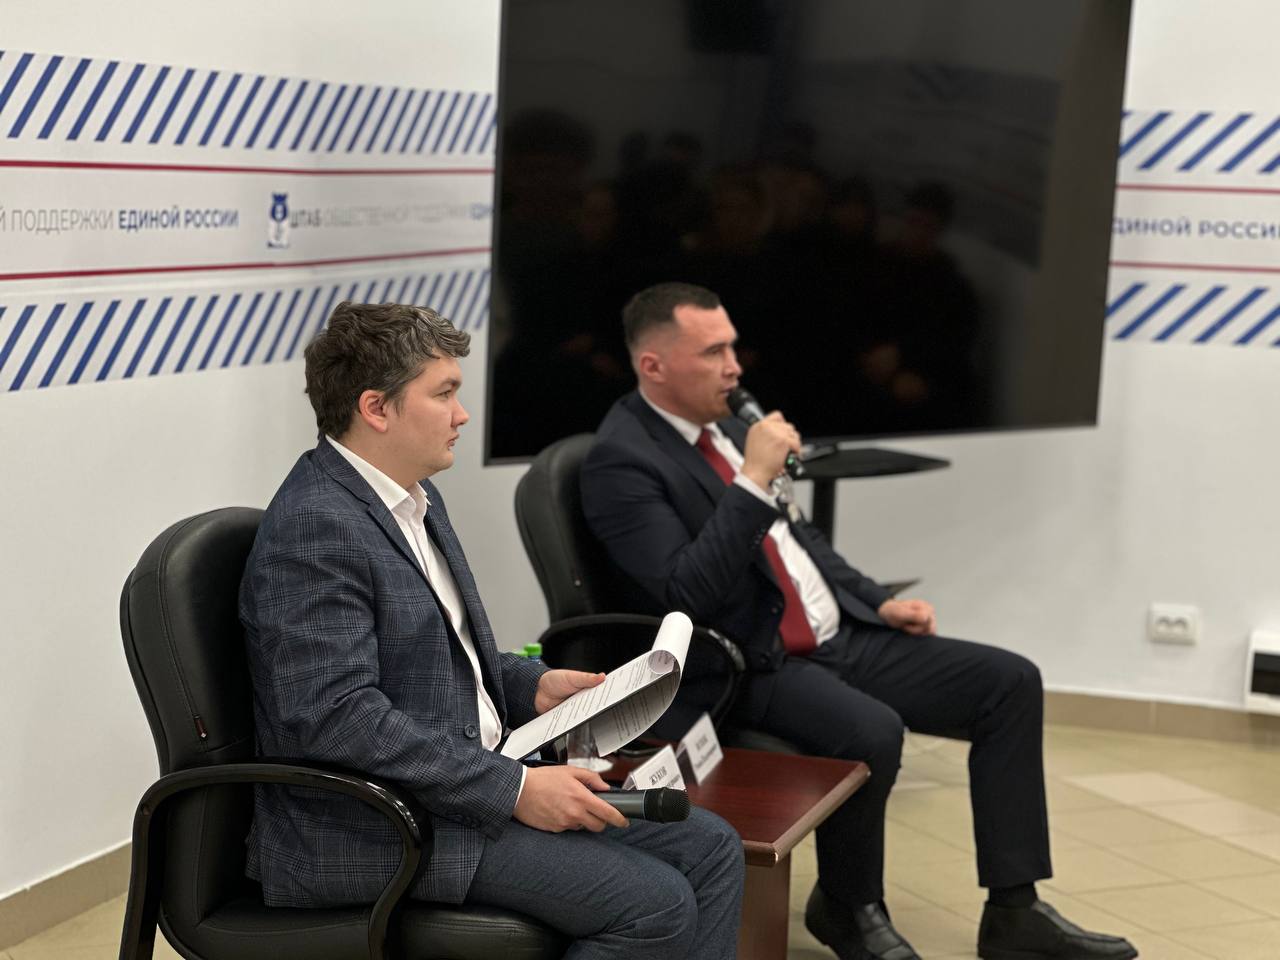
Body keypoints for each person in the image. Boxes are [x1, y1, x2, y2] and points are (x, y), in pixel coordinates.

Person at [579, 282, 1138, 960]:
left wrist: (877, 602)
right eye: (713, 352)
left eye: (733, 347)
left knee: (1008, 683)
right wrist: (751, 483)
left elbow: (799, 541)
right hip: (749, 660)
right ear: (654, 366)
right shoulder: (621, 460)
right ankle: (847, 905)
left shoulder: (727, 428)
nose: (734, 367)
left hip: (837, 635)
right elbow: (684, 592)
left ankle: (1015, 912)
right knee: (873, 729)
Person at [239, 300, 744, 959]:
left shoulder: (411, 497)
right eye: (444, 393)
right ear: (376, 408)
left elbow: (437, 654)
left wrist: (534, 686)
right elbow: (335, 717)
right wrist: (514, 789)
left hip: (452, 787)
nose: (462, 414)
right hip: (378, 824)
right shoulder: (316, 528)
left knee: (712, 850)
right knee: (656, 905)